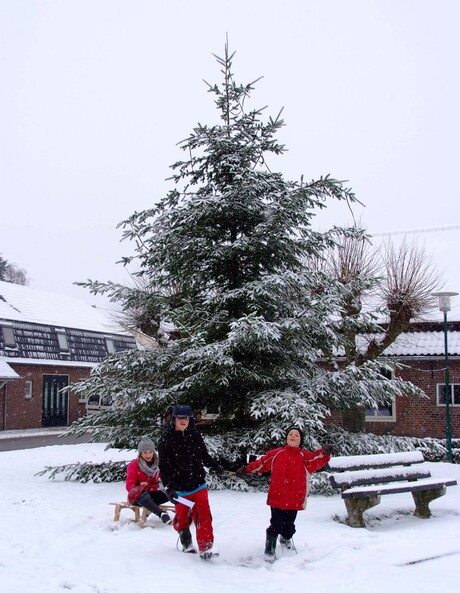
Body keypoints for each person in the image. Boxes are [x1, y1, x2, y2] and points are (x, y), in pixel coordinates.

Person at [236, 427, 333, 562]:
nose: (293, 437)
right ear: (286, 438)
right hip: (277, 497)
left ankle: (286, 539)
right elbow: (262, 463)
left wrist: (325, 452)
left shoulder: (305, 457)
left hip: (294, 498)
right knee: (275, 525)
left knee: (289, 527)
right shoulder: (277, 454)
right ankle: (269, 549)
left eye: (297, 435)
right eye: (290, 434)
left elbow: (317, 459)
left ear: (301, 440)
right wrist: (246, 469)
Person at [158, 404, 224, 559]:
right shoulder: (166, 440)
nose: (183, 420)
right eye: (180, 417)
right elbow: (164, 467)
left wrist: (215, 466)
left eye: (186, 418)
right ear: (173, 419)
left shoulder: (194, 435)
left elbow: (203, 455)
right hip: (179, 489)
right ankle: (185, 539)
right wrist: (169, 488)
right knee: (182, 519)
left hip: (198, 484)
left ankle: (206, 547)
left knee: (204, 516)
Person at [126, 437, 172, 525]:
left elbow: (164, 478)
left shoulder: (158, 464)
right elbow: (129, 485)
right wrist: (139, 485)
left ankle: (187, 510)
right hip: (136, 496)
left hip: (152, 494)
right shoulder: (134, 465)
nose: (148, 455)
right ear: (140, 453)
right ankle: (161, 513)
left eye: (150, 452)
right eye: (145, 452)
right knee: (141, 493)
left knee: (169, 491)